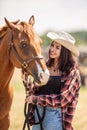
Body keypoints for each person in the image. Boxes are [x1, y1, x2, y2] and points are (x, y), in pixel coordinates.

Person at [23, 31, 81, 130]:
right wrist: (27, 81)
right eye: (52, 45)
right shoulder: (45, 66)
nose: (52, 49)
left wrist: (36, 99)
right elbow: (34, 90)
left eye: (57, 48)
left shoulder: (72, 72)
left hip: (55, 115)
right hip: (38, 112)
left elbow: (63, 99)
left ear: (65, 52)